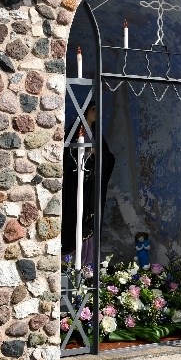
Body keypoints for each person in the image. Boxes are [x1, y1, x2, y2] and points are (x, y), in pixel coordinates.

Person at [61, 101, 116, 267]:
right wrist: (82, 153)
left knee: (90, 219)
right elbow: (66, 156)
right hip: (76, 185)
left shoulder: (96, 134)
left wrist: (95, 153)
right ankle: (71, 259)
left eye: (97, 111)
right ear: (86, 110)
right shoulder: (75, 130)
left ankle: (89, 261)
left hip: (91, 187)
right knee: (74, 217)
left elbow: (109, 158)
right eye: (93, 109)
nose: (95, 113)